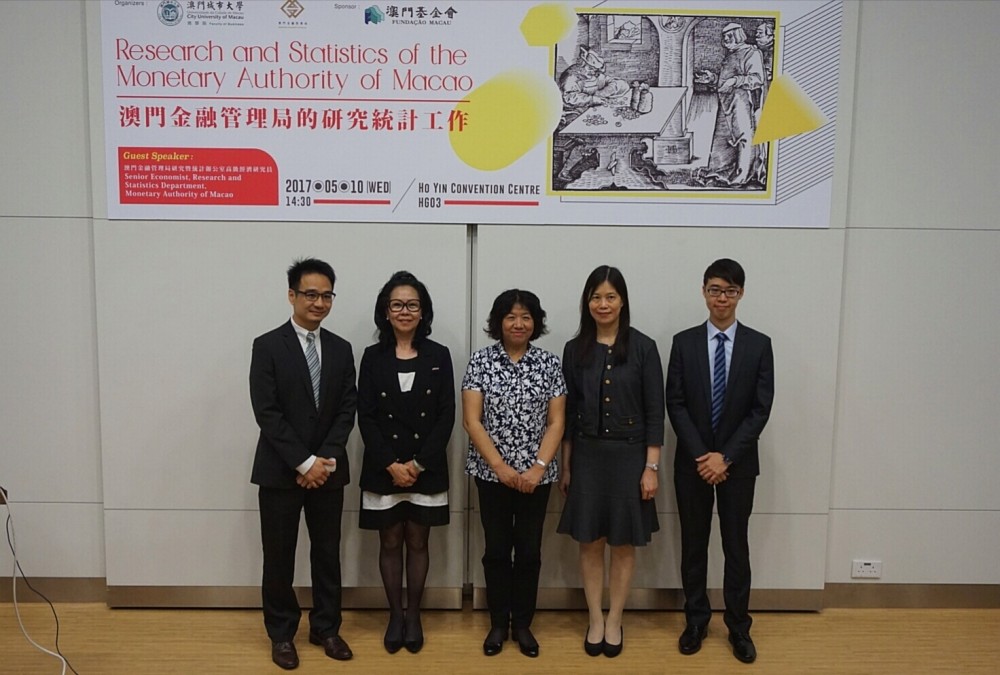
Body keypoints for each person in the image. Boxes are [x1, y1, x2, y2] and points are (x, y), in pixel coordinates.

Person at [249, 258, 357, 669]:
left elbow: (348, 409)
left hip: (327, 473)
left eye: (326, 294)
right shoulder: (267, 345)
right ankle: (281, 634)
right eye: (310, 294)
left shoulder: (341, 348)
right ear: (291, 295)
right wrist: (303, 461)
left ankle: (326, 628)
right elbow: (267, 411)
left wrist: (323, 460)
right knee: (279, 556)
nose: (319, 302)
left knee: (327, 553)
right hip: (280, 471)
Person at [665, 258, 774, 664]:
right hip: (692, 464)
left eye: (729, 290)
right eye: (714, 289)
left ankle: (738, 628)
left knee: (736, 548)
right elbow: (674, 403)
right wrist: (701, 455)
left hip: (738, 465)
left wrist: (725, 456)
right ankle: (695, 622)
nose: (721, 298)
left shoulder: (759, 345)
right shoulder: (684, 342)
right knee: (693, 546)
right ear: (704, 292)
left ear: (741, 293)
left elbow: (760, 409)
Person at [557, 265, 664, 658]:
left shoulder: (643, 347)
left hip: (629, 458)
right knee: (589, 541)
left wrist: (650, 468)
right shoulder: (574, 349)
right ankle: (594, 618)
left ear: (622, 302)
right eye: (596, 297)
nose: (603, 304)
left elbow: (656, 412)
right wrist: (566, 467)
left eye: (610, 297)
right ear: (587, 302)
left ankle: (615, 618)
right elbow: (566, 417)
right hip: (586, 457)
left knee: (622, 544)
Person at [462, 289, 566, 658]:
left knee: (528, 550)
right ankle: (496, 623)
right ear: (498, 322)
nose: (518, 323)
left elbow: (557, 421)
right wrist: (500, 467)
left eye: (525, 316)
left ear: (535, 322)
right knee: (495, 549)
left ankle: (522, 623)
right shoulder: (480, 361)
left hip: (537, 477)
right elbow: (472, 421)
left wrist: (537, 467)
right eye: (510, 316)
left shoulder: (549, 364)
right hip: (491, 475)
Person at [357, 271, 455, 655]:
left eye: (412, 304)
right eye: (397, 304)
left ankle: (413, 614)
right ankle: (394, 614)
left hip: (424, 467)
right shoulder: (371, 357)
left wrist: (416, 463)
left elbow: (446, 415)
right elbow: (365, 416)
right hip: (384, 468)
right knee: (390, 539)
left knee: (418, 540)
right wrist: (390, 464)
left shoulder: (438, 355)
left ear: (423, 311)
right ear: (385, 310)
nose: (404, 311)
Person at [699, 23, 765, 186]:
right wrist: (712, 79)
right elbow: (724, 82)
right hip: (726, 102)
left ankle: (741, 175)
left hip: (743, 101)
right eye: (724, 37)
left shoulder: (752, 53)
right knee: (723, 138)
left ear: (738, 35)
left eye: (729, 36)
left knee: (744, 138)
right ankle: (719, 171)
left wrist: (736, 81)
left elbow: (757, 79)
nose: (725, 40)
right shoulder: (730, 55)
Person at [559, 46, 631, 124]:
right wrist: (593, 99)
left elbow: (622, 85)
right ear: (582, 64)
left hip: (594, 110)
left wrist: (605, 91)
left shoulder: (596, 75)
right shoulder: (571, 76)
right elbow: (570, 97)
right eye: (590, 68)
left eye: (595, 70)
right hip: (574, 112)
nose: (593, 72)